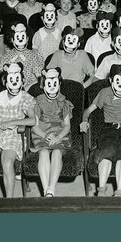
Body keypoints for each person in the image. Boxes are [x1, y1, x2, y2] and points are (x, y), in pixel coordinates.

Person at [80, 64, 121, 197]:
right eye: (117, 80)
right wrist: (84, 120)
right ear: (111, 80)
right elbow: (87, 111)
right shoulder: (104, 92)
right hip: (109, 129)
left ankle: (119, 192)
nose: (120, 84)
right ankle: (101, 190)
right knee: (106, 152)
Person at [0, 62, 36, 198]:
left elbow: (33, 120)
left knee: (7, 162)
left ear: (22, 81)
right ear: (5, 82)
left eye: (18, 79)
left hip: (15, 135)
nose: (14, 82)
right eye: (11, 79)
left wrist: (13, 122)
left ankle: (9, 200)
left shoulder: (25, 98)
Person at [31, 68, 73, 197]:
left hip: (60, 135)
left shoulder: (63, 102)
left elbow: (67, 125)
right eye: (49, 84)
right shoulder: (38, 102)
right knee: (43, 153)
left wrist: (59, 137)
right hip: (42, 135)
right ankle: (46, 192)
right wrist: (45, 136)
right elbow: (34, 126)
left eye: (55, 84)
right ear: (43, 86)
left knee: (56, 152)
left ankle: (51, 189)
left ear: (59, 84)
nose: (52, 87)